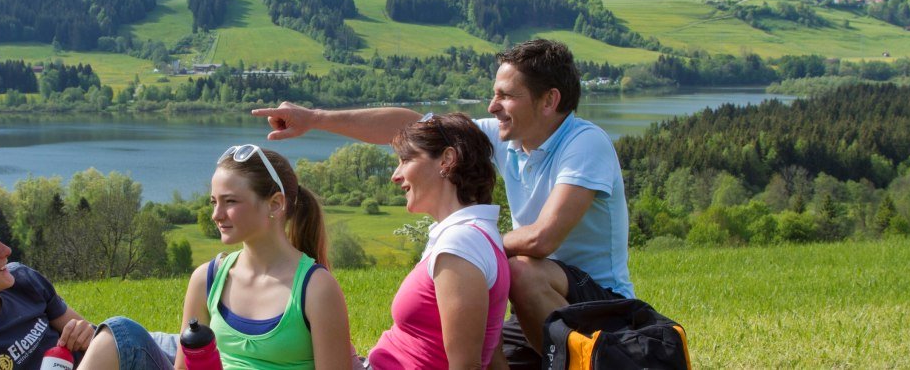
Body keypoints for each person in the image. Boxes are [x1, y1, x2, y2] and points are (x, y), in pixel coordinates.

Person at [252, 39, 633, 369]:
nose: (493, 104)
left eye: (506, 95)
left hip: (601, 305)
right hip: (538, 305)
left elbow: (541, 240)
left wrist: (467, 247)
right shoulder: (508, 139)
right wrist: (315, 119)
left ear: (550, 100)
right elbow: (414, 131)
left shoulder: (584, 144)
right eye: (494, 93)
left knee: (520, 270)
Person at [0, 204, 175, 370]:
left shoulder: (22, 281)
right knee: (122, 332)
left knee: (180, 341)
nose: (6, 250)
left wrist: (83, 332)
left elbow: (90, 334)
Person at [175, 144, 354, 369]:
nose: (216, 215)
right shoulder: (207, 279)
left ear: (276, 204)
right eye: (214, 202)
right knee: (120, 334)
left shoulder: (316, 288)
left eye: (230, 201)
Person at [364, 113, 510, 369]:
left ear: (447, 159)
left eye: (406, 159)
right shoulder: (464, 235)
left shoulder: (462, 244)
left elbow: (466, 365)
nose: (395, 176)